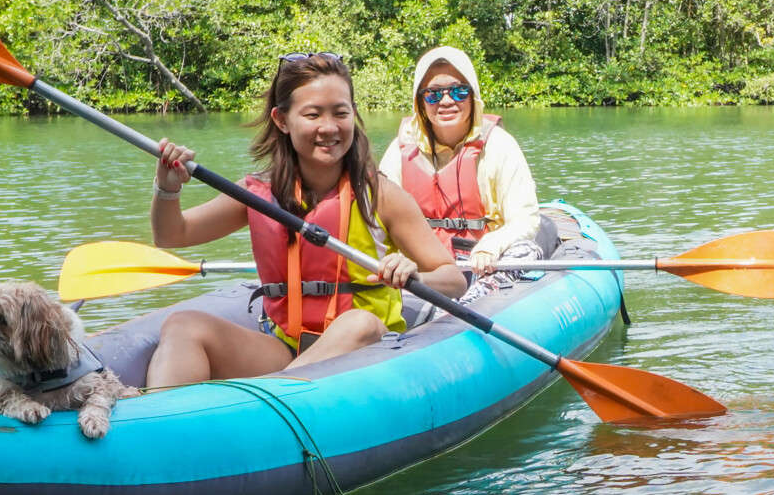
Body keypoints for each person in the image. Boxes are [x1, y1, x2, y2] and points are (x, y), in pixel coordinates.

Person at [143, 53, 465, 386]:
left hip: (369, 352)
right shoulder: (258, 193)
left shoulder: (380, 194)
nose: (329, 127)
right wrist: (167, 189)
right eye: (312, 114)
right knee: (183, 325)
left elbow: (454, 279)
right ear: (282, 120)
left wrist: (411, 275)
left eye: (341, 113)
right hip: (288, 350)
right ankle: (158, 423)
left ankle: (271, 400)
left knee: (359, 323)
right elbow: (172, 235)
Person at [379, 47, 550, 298]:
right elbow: (377, 223)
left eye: (459, 91)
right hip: (426, 271)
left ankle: (467, 308)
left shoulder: (498, 145)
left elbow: (526, 220)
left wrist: (491, 245)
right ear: (420, 101)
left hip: (485, 266)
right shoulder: (400, 150)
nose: (447, 101)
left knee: (526, 249)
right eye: (433, 94)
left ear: (473, 97)